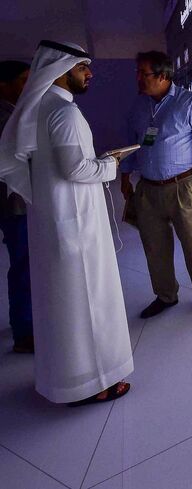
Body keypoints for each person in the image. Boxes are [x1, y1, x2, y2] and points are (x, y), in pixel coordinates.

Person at [0, 40, 132, 405]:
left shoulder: (41, 109)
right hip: (76, 223)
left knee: (62, 301)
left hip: (55, 218)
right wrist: (111, 165)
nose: (89, 73)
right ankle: (94, 382)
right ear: (60, 70)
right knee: (87, 299)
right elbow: (75, 168)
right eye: (82, 67)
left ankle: (68, 379)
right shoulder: (64, 113)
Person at [121, 51, 192, 318]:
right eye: (138, 73)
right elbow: (131, 143)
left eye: (144, 73)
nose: (138, 78)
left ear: (163, 76)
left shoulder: (189, 103)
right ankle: (165, 295)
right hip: (148, 189)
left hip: (183, 186)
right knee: (155, 247)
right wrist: (125, 176)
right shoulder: (138, 106)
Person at [0, 60, 33, 354]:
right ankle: (25, 333)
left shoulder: (15, 113)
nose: (28, 85)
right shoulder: (4, 118)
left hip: (21, 203)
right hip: (15, 205)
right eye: (23, 80)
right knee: (23, 265)